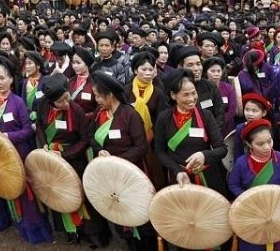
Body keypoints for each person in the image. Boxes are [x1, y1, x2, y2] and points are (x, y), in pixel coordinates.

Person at [35, 73, 110, 247]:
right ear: (52, 101)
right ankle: (71, 231)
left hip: (73, 158)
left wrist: (66, 154)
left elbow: (85, 139)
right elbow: (39, 125)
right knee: (58, 192)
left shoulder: (75, 111)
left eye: (68, 98)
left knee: (80, 194)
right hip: (52, 158)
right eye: (61, 101)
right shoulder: (43, 105)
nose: (66, 103)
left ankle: (91, 233)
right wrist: (44, 144)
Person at [87, 70, 154, 251]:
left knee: (138, 209)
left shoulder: (129, 115)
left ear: (110, 95)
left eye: (99, 96)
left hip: (131, 171)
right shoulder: (99, 114)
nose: (97, 100)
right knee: (119, 206)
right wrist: (100, 151)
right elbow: (91, 137)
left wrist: (117, 161)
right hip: (110, 174)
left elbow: (141, 147)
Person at [0, 55, 54, 243]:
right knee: (8, 189)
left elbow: (27, 130)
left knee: (26, 196)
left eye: (3, 78)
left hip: (19, 154)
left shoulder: (17, 102)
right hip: (1, 157)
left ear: (11, 79)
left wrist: (9, 137)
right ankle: (19, 225)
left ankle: (36, 232)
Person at [154, 68, 229, 196]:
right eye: (185, 94)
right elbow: (160, 151)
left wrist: (204, 155)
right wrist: (177, 170)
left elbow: (222, 149)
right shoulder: (164, 118)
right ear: (173, 95)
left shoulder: (206, 116)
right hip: (180, 178)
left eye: (193, 93)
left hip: (208, 175)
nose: (191, 98)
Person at [227, 119, 280, 251]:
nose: (267, 146)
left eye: (269, 141)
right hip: (252, 211)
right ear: (249, 144)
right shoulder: (241, 163)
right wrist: (249, 199)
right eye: (260, 144)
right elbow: (234, 185)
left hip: (277, 211)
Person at [124, 51, 168, 189]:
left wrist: (149, 136)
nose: (148, 73)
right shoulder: (126, 91)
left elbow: (161, 119)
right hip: (130, 140)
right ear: (136, 70)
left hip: (152, 142)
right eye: (144, 69)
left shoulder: (158, 92)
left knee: (155, 174)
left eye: (151, 69)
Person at [203, 57, 238, 135]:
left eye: (219, 71)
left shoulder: (228, 88)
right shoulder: (202, 88)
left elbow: (231, 110)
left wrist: (218, 123)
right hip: (206, 127)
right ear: (206, 72)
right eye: (212, 71)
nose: (216, 74)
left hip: (226, 127)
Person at [68, 46, 98, 120]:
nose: (75, 66)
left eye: (78, 63)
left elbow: (100, 107)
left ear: (87, 63)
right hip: (71, 121)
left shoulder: (95, 82)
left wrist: (87, 116)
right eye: (73, 63)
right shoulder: (70, 81)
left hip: (88, 122)